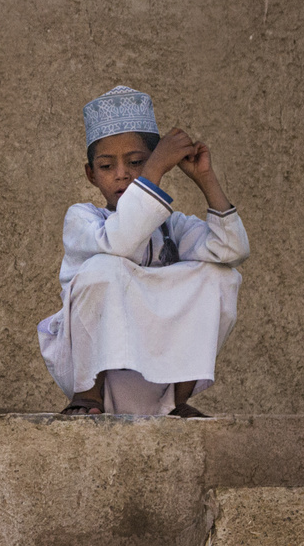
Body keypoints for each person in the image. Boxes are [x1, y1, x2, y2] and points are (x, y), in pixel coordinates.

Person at [38, 84, 250, 417]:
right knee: (102, 269)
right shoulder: (83, 219)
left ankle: (177, 402)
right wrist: (152, 171)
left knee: (221, 276)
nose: (122, 174)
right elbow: (121, 240)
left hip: (157, 376)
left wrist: (205, 178)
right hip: (102, 376)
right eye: (106, 167)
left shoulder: (172, 226)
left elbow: (232, 250)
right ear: (90, 174)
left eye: (136, 162)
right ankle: (86, 396)